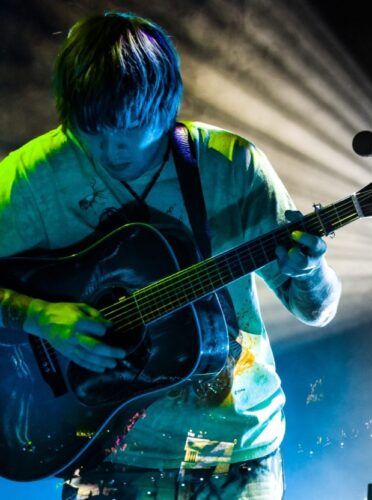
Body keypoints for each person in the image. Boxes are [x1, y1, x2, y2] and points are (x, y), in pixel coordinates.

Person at [0, 11, 341, 499]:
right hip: (107, 457)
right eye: (93, 130)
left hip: (241, 455)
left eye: (131, 126)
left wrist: (310, 271)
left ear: (166, 105)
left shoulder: (232, 166)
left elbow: (317, 310)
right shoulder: (29, 179)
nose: (111, 147)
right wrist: (37, 317)